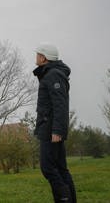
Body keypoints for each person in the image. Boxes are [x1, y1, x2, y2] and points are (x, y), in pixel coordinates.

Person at [33, 43, 76, 203]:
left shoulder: (53, 75)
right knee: (60, 169)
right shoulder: (50, 73)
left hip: (51, 130)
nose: (36, 57)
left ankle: (64, 200)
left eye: (38, 54)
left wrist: (57, 131)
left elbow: (60, 105)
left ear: (44, 58)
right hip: (49, 128)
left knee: (48, 168)